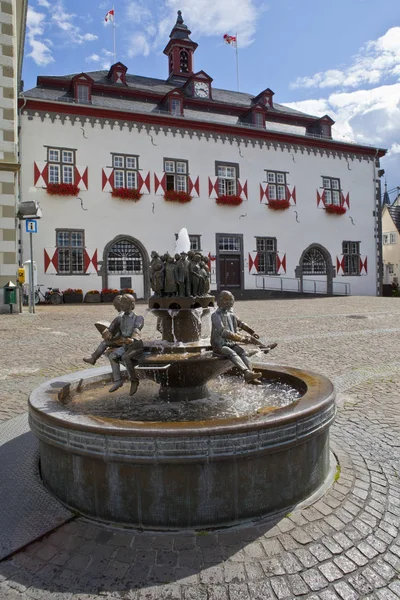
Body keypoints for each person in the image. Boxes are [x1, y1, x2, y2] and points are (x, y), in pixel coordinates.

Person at [211, 290, 271, 384]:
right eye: (226, 300)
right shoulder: (215, 315)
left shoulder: (231, 314)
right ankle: (246, 373)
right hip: (220, 345)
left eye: (231, 300)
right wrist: (240, 338)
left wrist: (251, 332)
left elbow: (241, 324)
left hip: (232, 343)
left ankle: (251, 375)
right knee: (232, 353)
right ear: (219, 301)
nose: (229, 302)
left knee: (243, 353)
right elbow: (223, 332)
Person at [104, 294, 144, 395]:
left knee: (126, 357)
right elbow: (111, 328)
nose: (122, 305)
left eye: (125, 303)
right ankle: (118, 381)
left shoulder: (138, 318)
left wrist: (133, 339)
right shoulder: (119, 318)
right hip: (125, 345)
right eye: (121, 303)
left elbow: (137, 329)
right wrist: (108, 333)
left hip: (135, 345)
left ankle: (134, 380)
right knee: (112, 356)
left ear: (132, 305)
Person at [83, 295, 124, 366]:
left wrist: (109, 336)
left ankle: (93, 359)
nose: (114, 307)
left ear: (119, 305)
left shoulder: (120, 316)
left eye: (115, 306)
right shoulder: (124, 313)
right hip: (125, 338)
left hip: (123, 340)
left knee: (105, 342)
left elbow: (117, 333)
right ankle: (93, 358)